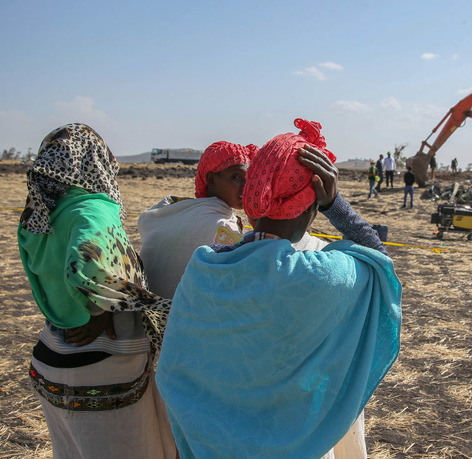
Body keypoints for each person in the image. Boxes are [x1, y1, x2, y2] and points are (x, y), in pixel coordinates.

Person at [156, 118, 402, 459]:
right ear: (313, 206)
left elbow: (174, 370)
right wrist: (337, 206)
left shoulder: (206, 268)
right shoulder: (322, 275)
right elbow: (378, 260)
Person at [17, 123, 176, 458]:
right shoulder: (92, 208)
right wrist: (105, 307)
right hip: (103, 360)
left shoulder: (40, 214)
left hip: (54, 351)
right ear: (97, 160)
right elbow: (87, 263)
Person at [138, 141, 257, 298]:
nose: (245, 186)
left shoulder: (173, 211)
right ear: (212, 179)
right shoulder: (222, 226)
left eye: (248, 179)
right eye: (236, 177)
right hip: (180, 317)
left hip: (150, 314)